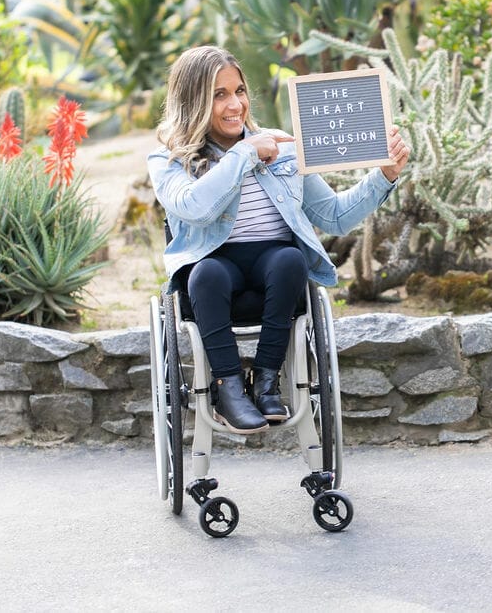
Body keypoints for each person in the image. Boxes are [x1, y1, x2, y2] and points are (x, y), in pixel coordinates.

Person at [147, 46, 410, 434]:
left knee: (291, 259)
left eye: (239, 91)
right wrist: (245, 153)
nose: (235, 104)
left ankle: (268, 382)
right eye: (219, 95)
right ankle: (229, 388)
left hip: (275, 277)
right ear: (193, 102)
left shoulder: (281, 150)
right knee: (206, 274)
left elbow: (336, 217)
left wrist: (384, 174)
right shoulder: (169, 161)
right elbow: (196, 206)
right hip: (214, 281)